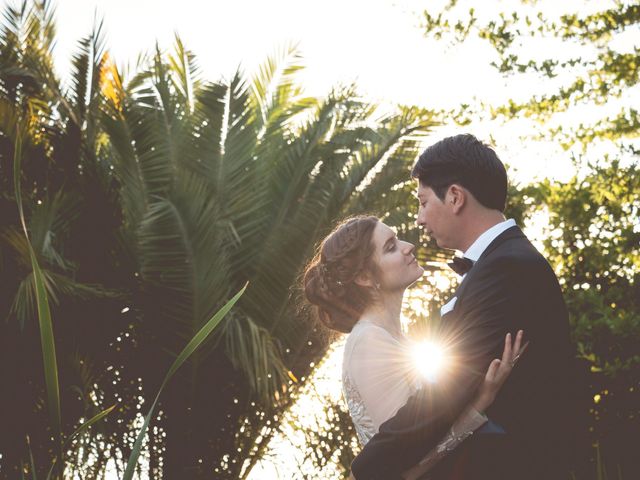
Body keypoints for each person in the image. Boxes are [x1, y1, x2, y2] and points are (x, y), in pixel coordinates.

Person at [349, 134, 577, 479]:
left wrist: (364, 468)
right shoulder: (500, 264)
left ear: (455, 197)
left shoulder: (507, 267)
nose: (419, 219)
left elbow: (448, 391)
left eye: (423, 202)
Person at [303, 215, 527, 479]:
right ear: (364, 276)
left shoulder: (392, 339)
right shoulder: (369, 343)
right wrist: (481, 401)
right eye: (391, 247)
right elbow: (403, 464)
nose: (408, 246)